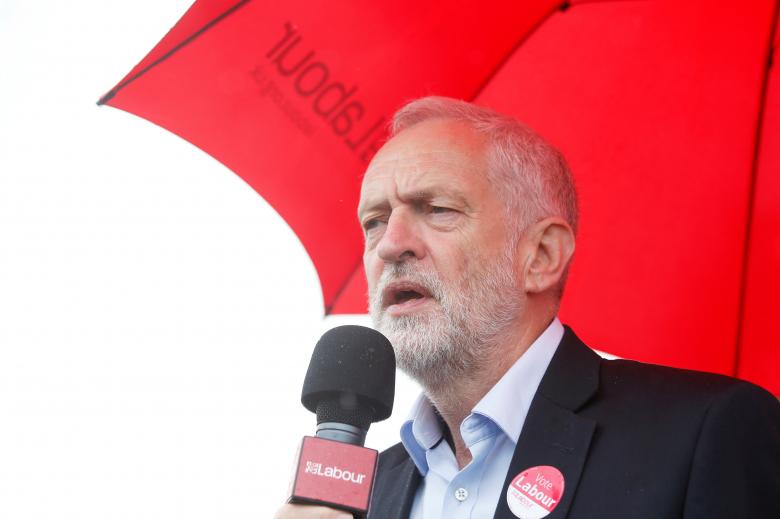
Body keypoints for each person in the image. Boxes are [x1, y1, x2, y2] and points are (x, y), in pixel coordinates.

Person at [275, 97, 780, 519]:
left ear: (541, 257)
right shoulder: (365, 494)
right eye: (374, 221)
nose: (391, 245)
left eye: (438, 209)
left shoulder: (705, 434)